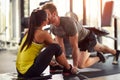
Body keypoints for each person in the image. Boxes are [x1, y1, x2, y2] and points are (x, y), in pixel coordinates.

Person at [42, 2, 120, 69]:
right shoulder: (53, 28)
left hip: (87, 38)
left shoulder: (68, 23)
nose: (45, 17)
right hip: (80, 41)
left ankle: (99, 57)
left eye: (47, 15)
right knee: (100, 47)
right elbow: (61, 47)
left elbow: (74, 46)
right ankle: (115, 52)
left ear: (54, 14)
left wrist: (75, 67)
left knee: (80, 65)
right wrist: (65, 64)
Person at [16, 9, 78, 78]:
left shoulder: (28, 32)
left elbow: (34, 52)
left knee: (50, 48)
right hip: (29, 72)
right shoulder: (43, 34)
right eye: (47, 17)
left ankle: (53, 66)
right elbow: (57, 47)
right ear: (44, 21)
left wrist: (50, 62)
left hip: (20, 71)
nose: (48, 19)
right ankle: (68, 68)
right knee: (56, 47)